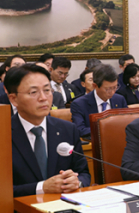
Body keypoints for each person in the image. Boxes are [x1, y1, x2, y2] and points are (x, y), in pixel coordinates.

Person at [6, 64, 90, 197]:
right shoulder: (4, 134)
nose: (43, 98)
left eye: (47, 90)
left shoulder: (68, 129)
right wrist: (41, 187)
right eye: (33, 92)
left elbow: (84, 173)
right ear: (13, 99)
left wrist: (77, 182)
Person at [70, 64, 128, 139]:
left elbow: (127, 124)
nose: (112, 92)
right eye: (108, 89)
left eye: (115, 87)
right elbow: (80, 130)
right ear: (95, 86)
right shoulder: (79, 104)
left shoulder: (120, 100)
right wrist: (108, 130)